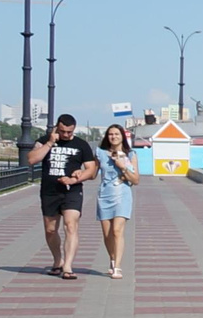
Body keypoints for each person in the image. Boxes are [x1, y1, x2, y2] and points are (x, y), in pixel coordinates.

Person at [26, 115, 98, 279]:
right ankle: (58, 260)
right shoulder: (44, 141)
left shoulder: (81, 145)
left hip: (71, 191)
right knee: (50, 230)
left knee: (70, 225)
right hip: (50, 191)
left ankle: (68, 266)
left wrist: (75, 179)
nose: (66, 135)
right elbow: (31, 159)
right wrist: (50, 143)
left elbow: (91, 170)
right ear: (57, 128)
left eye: (69, 131)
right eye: (63, 131)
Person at [96, 125, 140, 279]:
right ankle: (113, 259)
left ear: (122, 136)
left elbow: (136, 180)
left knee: (117, 231)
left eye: (116, 134)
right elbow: (92, 172)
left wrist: (123, 167)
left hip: (123, 194)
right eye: (110, 134)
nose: (113, 137)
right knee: (107, 234)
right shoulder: (100, 153)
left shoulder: (131, 154)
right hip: (105, 194)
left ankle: (118, 266)